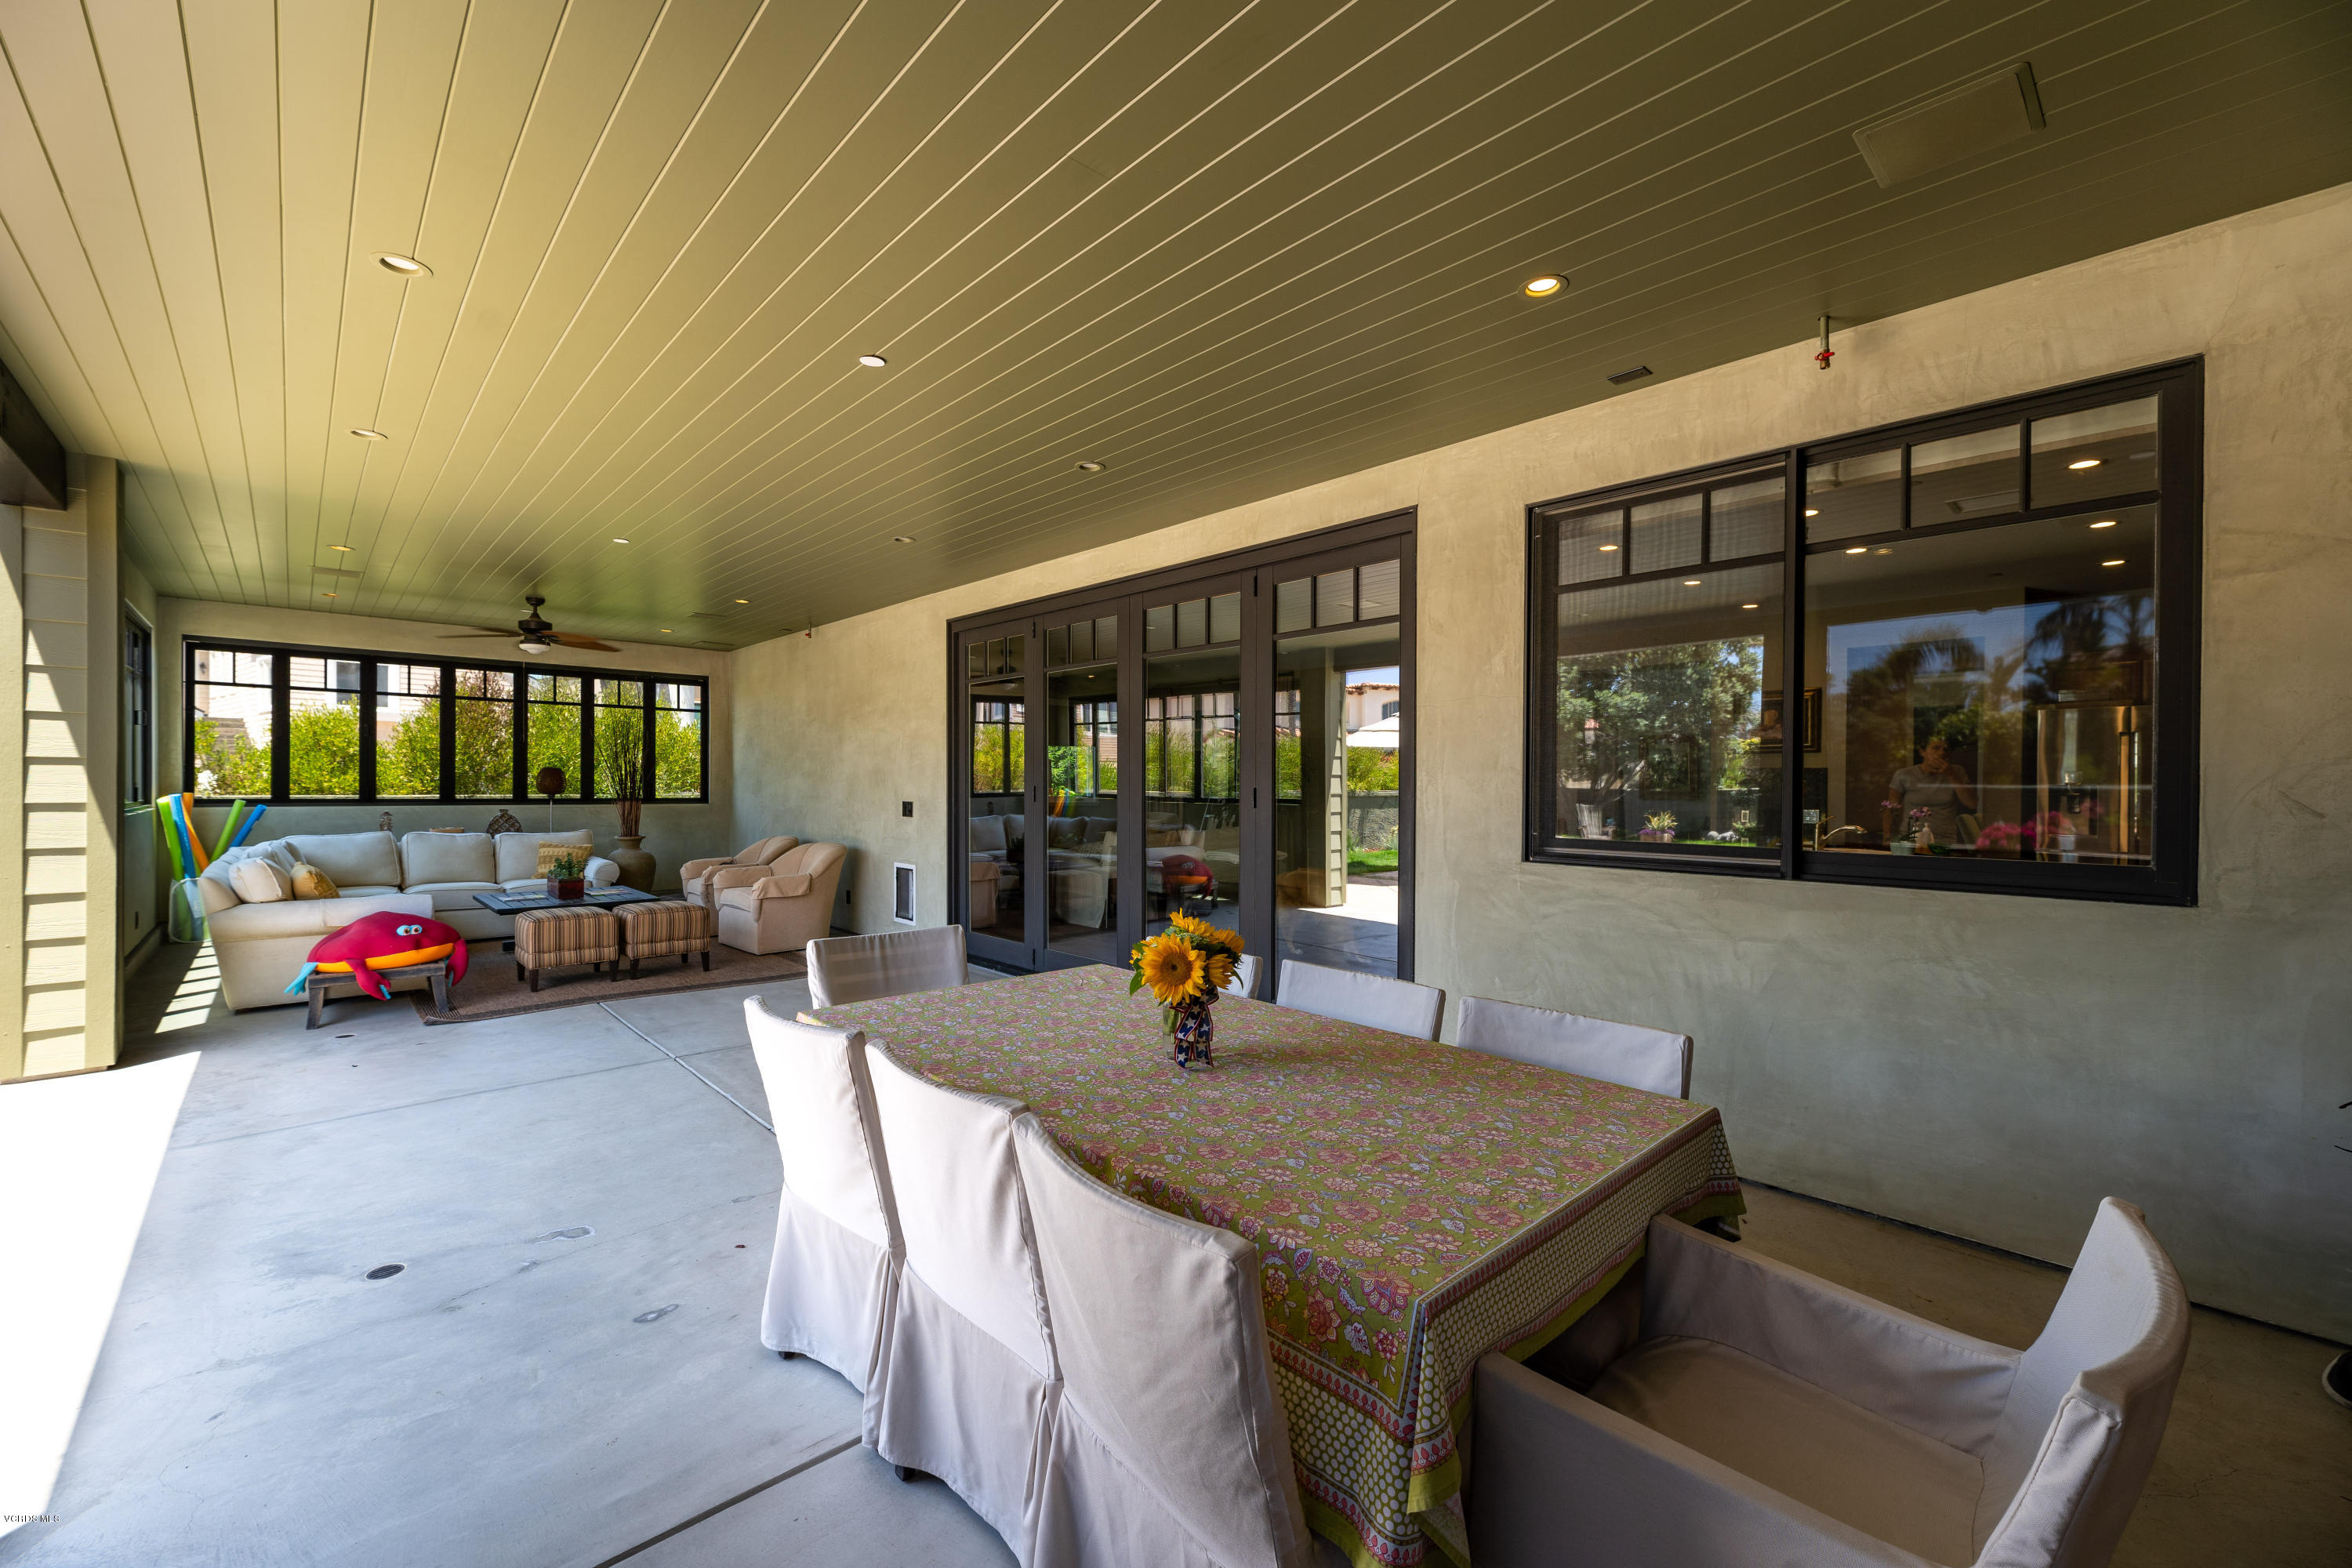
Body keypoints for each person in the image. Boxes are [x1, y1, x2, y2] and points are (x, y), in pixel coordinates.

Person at [1882, 735, 1978, 846]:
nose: (1942, 753)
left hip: (1944, 842)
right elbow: (1890, 808)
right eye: (1936, 748)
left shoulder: (1957, 772)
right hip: (1911, 840)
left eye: (1946, 749)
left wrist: (1951, 776)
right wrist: (1887, 837)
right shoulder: (1904, 775)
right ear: (1923, 751)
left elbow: (1972, 804)